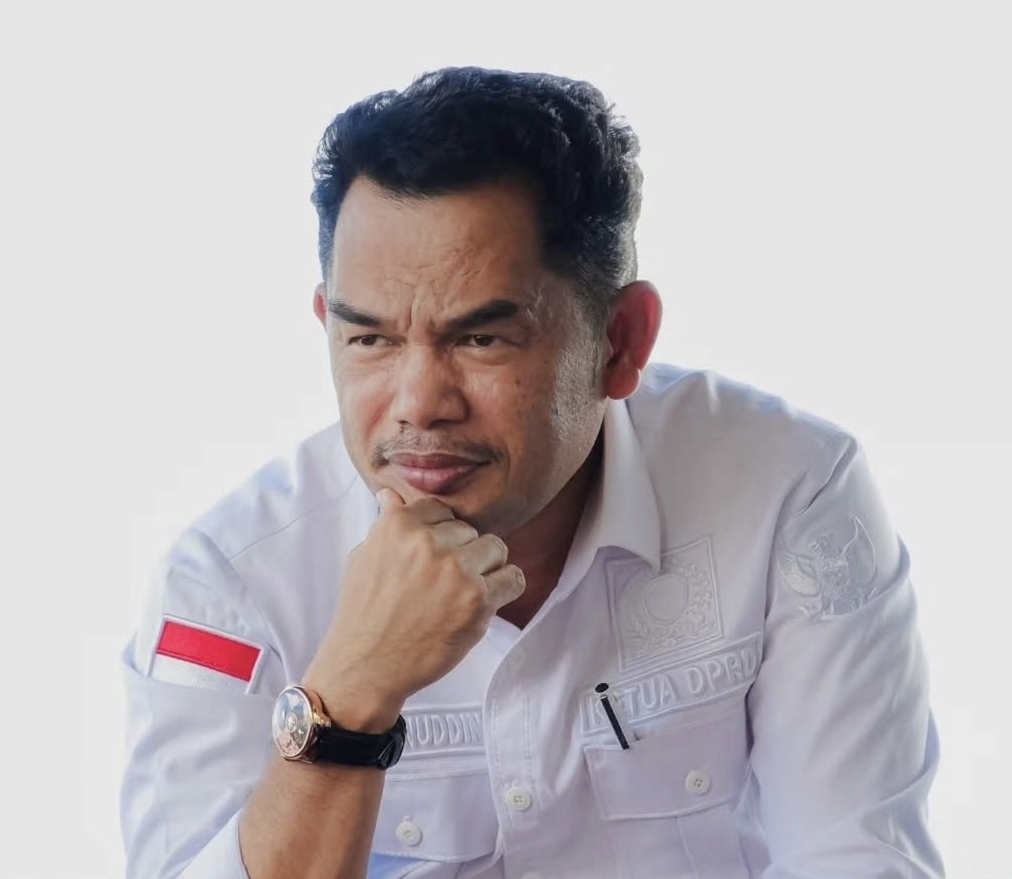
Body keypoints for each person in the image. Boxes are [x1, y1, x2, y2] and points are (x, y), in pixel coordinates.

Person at [119, 66, 944, 879]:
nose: (418, 403)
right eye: (369, 339)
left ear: (620, 341)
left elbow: (857, 856)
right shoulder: (230, 583)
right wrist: (350, 693)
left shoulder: (787, 492)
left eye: (480, 339)